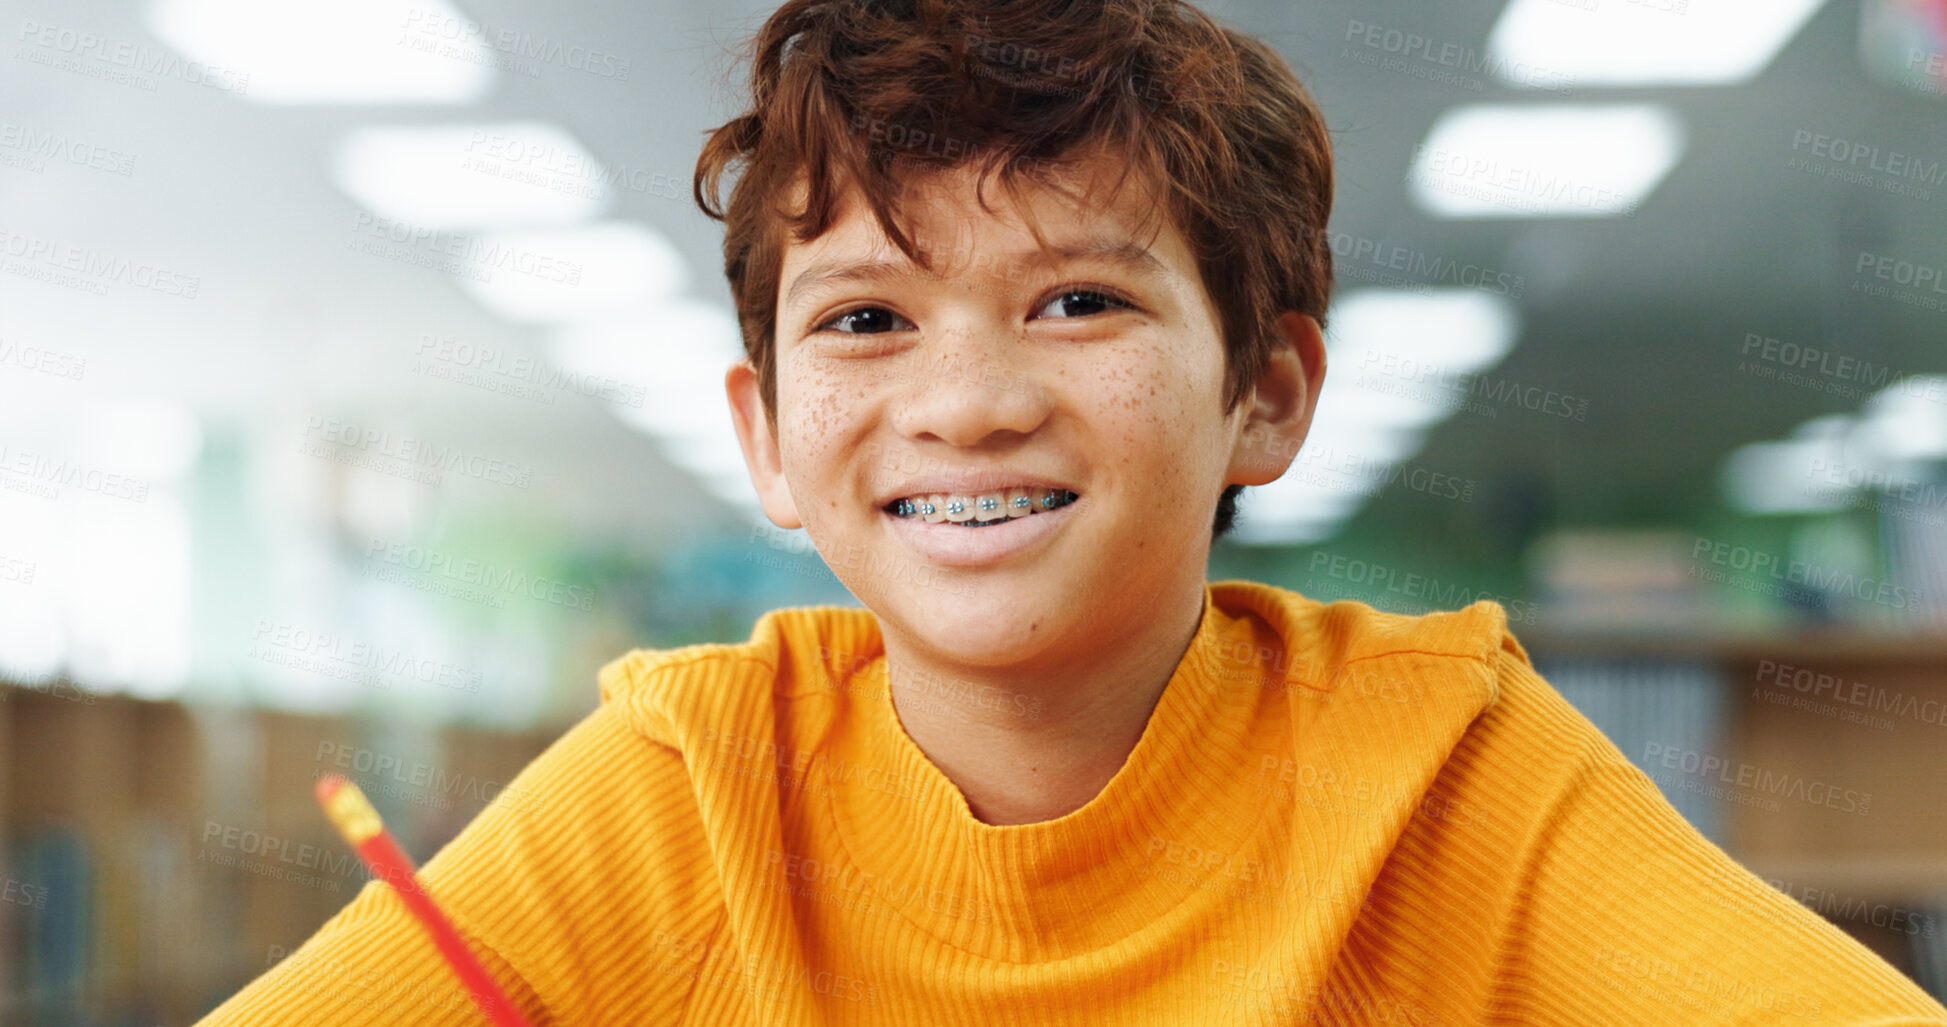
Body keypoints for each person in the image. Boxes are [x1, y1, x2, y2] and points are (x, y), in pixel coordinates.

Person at [197, 0, 1947, 1022]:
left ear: (1265, 392)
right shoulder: (687, 790)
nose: (965, 402)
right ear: (774, 443)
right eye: (866, 320)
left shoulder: (1443, 767)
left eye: (1078, 304)